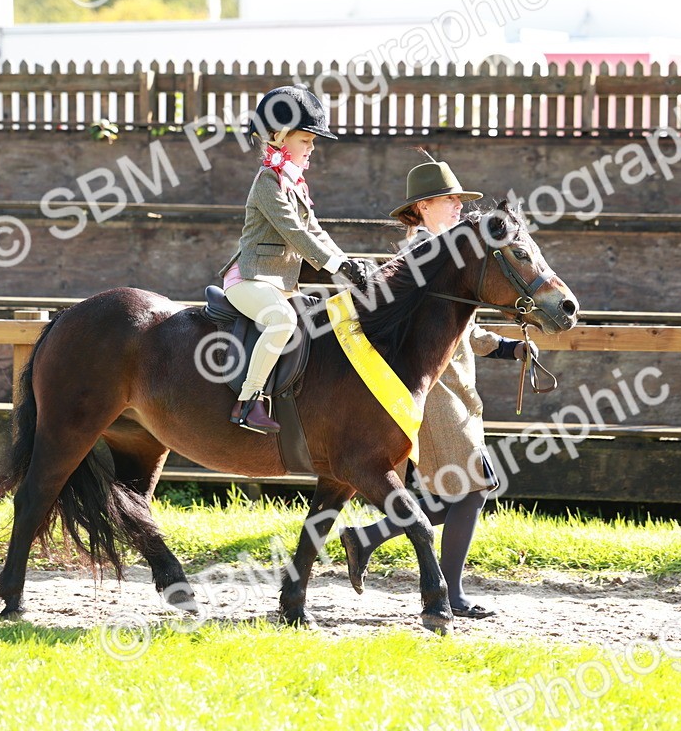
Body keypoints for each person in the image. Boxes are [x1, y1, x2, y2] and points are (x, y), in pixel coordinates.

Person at [338, 160, 535, 619]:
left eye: (459, 202)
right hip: (436, 392)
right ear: (422, 207)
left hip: (460, 391)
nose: (456, 208)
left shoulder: (452, 255)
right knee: (474, 489)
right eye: (448, 201)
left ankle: (367, 538)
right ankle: (450, 593)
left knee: (459, 492)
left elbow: (466, 329)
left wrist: (507, 350)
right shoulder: (417, 258)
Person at [219, 85, 371, 434]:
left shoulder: (295, 183)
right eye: (306, 140)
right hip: (249, 279)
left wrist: (347, 261)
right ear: (276, 136)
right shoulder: (267, 182)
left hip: (279, 281)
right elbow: (295, 234)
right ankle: (247, 402)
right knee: (283, 321)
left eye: (313, 142)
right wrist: (335, 266)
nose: (313, 148)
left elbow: (315, 230)